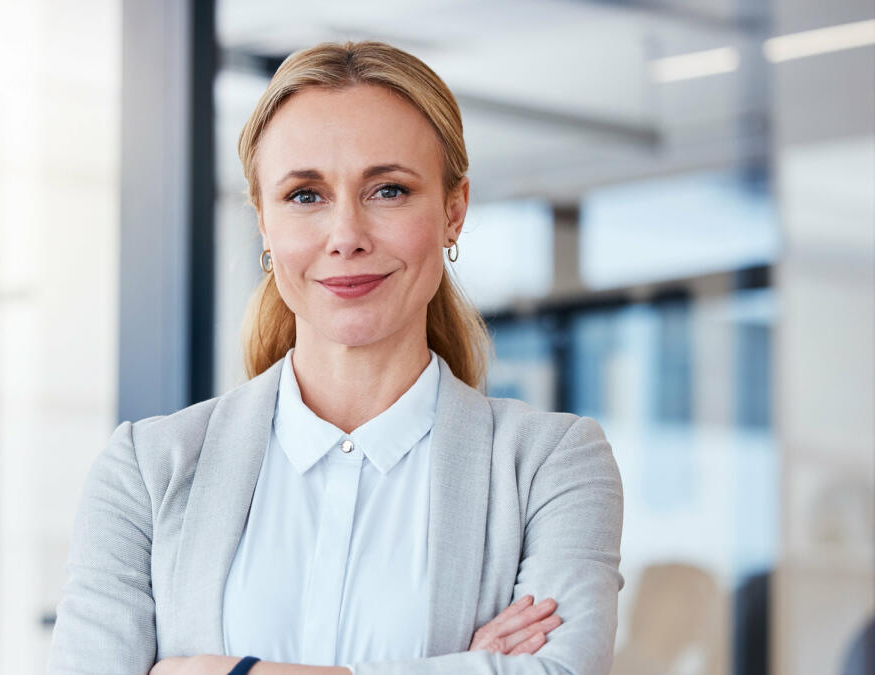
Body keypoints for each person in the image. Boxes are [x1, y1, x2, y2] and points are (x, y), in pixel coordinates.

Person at [47, 40, 624, 675]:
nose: (346, 236)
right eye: (304, 196)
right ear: (264, 222)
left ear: (454, 210)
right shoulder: (145, 469)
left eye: (389, 191)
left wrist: (227, 673)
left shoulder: (550, 466)